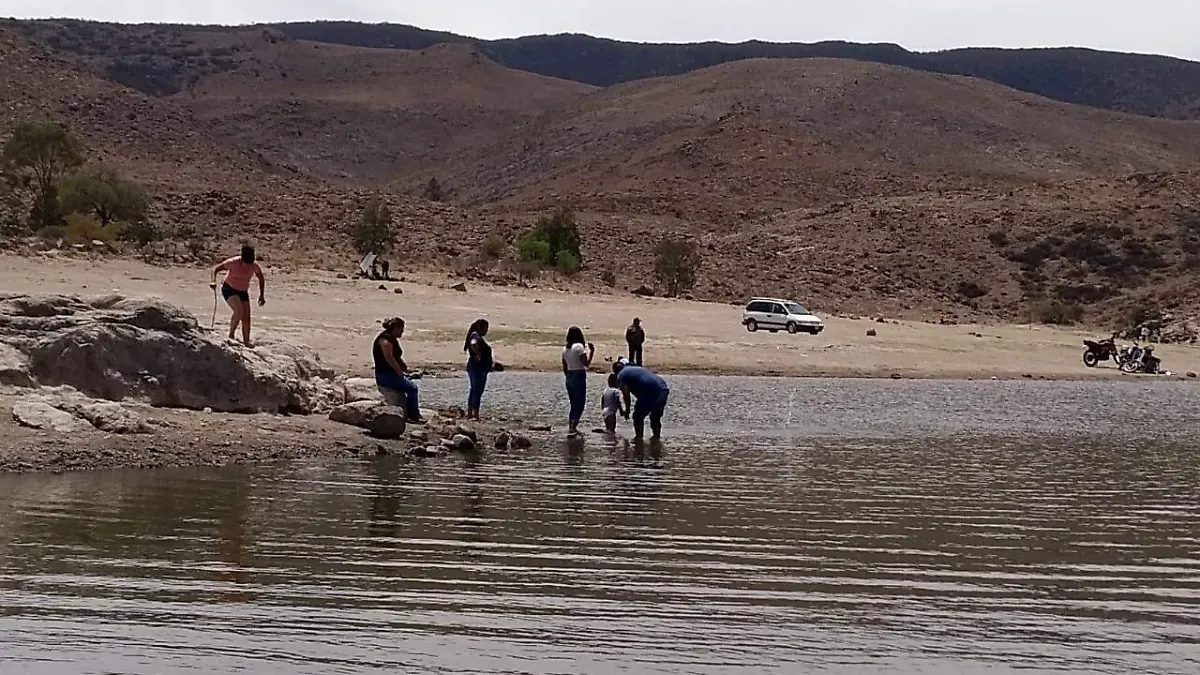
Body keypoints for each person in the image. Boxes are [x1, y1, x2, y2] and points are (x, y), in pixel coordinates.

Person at [373, 317, 426, 424]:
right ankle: (414, 415)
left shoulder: (391, 339)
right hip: (385, 375)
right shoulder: (385, 341)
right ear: (396, 328)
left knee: (412, 381)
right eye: (401, 329)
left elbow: (395, 356)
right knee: (412, 389)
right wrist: (399, 371)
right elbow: (389, 358)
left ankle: (410, 410)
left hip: (390, 373)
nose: (402, 331)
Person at [210, 243, 265, 345]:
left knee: (246, 317)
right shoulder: (233, 262)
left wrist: (261, 295)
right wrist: (213, 281)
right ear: (242, 259)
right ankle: (231, 335)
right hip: (229, 289)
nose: (248, 266)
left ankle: (246, 341)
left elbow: (261, 278)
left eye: (250, 263)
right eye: (246, 263)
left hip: (243, 291)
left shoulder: (254, 266)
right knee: (239, 310)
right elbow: (216, 269)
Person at [614, 360, 670, 441]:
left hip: (651, 390)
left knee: (637, 417)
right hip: (663, 388)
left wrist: (627, 409)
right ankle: (656, 439)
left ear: (615, 371)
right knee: (655, 417)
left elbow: (626, 393)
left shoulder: (621, 375)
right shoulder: (635, 368)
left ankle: (638, 439)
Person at [561, 326, 595, 435]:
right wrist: (592, 352)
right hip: (578, 374)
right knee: (580, 403)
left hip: (569, 375)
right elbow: (586, 363)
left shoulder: (565, 348)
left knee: (573, 404)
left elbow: (564, 365)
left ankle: (571, 425)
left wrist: (567, 376)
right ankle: (573, 427)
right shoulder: (579, 347)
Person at [464, 318, 493, 420]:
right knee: (477, 390)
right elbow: (473, 343)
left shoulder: (475, 335)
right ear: (480, 328)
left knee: (474, 390)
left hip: (477, 367)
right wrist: (477, 355)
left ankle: (470, 413)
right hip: (477, 368)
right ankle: (475, 414)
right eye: (485, 329)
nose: (486, 331)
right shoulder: (475, 336)